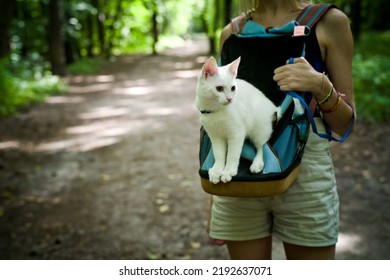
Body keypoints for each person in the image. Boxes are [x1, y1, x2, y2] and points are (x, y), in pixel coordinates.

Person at [207, 0, 356, 260]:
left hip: (305, 171)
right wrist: (215, 196)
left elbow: (345, 124)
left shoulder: (329, 22)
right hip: (239, 175)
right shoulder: (232, 32)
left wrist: (320, 86)